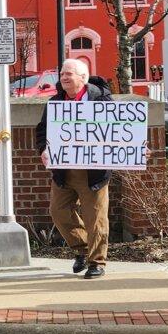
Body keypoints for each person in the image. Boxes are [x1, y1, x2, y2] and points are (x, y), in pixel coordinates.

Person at [35, 59, 111, 279]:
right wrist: (43, 148)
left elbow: (122, 129)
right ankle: (82, 249)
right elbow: (42, 131)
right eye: (61, 74)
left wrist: (136, 148)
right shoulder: (54, 103)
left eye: (68, 74)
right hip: (64, 169)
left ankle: (97, 262)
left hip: (93, 171)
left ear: (83, 77)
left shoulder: (102, 100)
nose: (64, 78)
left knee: (95, 217)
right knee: (58, 211)